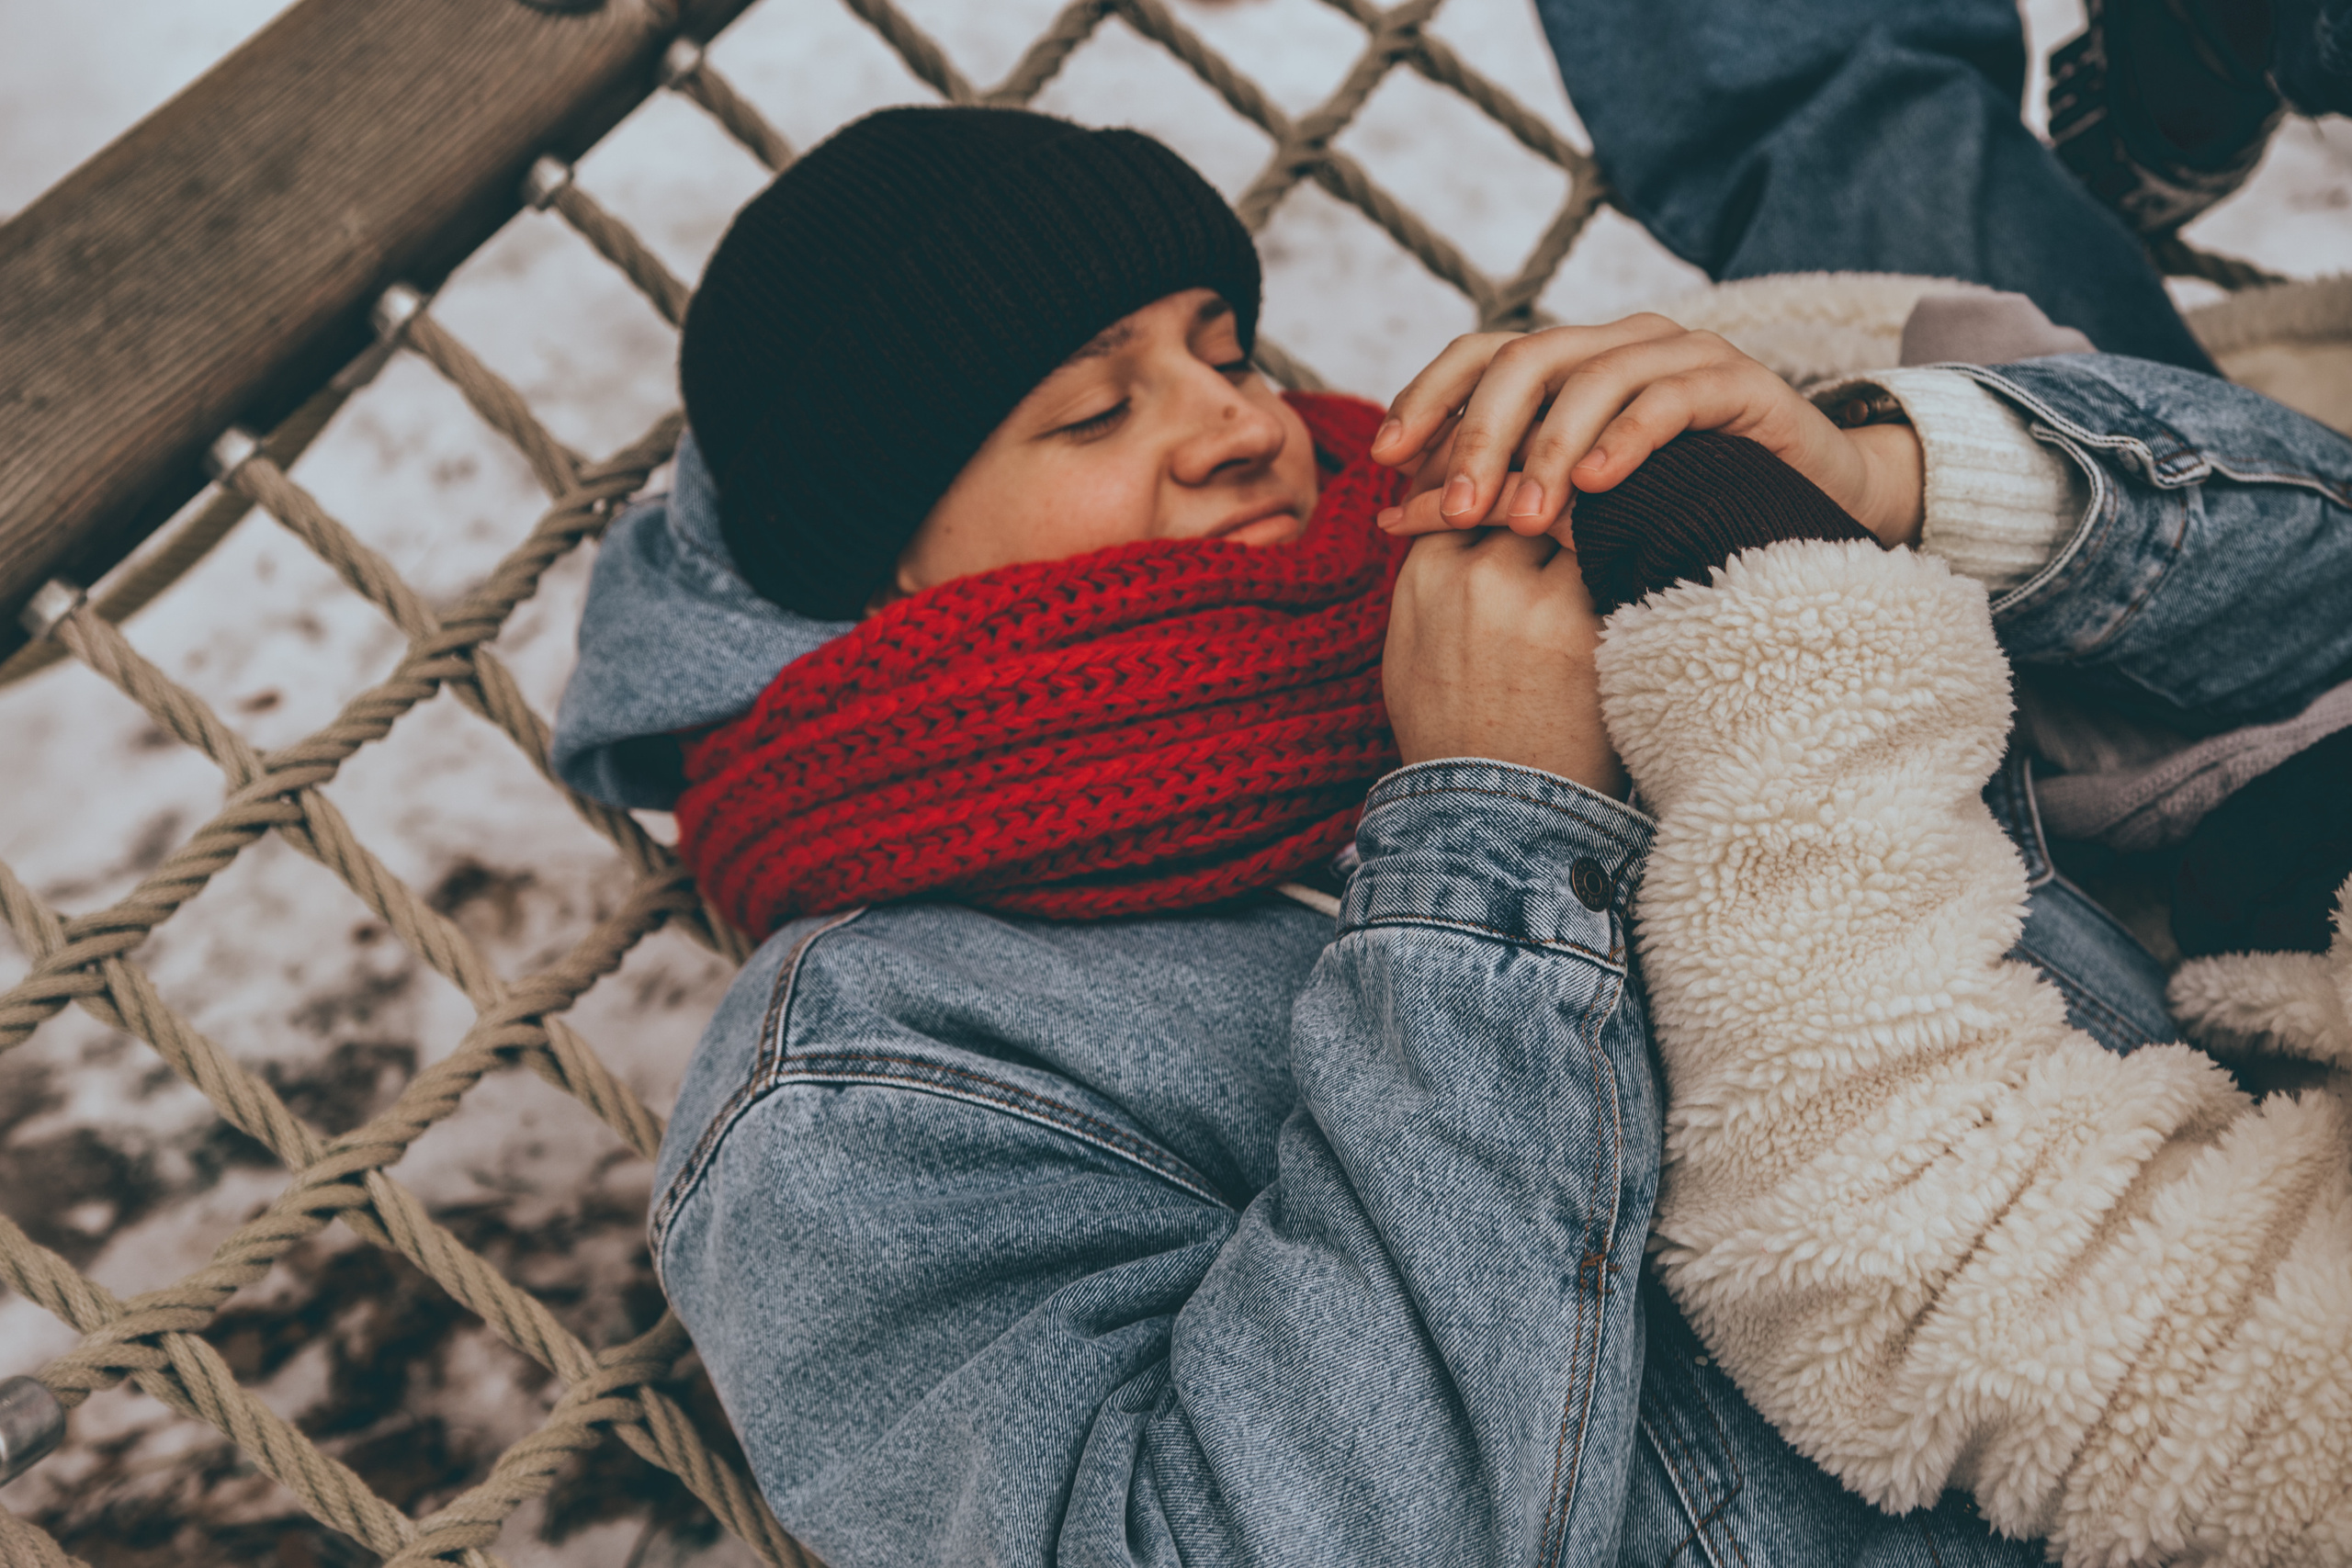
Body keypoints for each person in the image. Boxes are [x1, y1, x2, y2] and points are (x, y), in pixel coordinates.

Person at [548, 105, 2352, 1565]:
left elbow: (2324, 579)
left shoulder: (1521, 510)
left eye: (1223, 346)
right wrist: (1483, 835)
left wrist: (1880, 470)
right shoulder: (868, 1075)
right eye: (1094, 409)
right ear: (884, 560)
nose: (1243, 428)